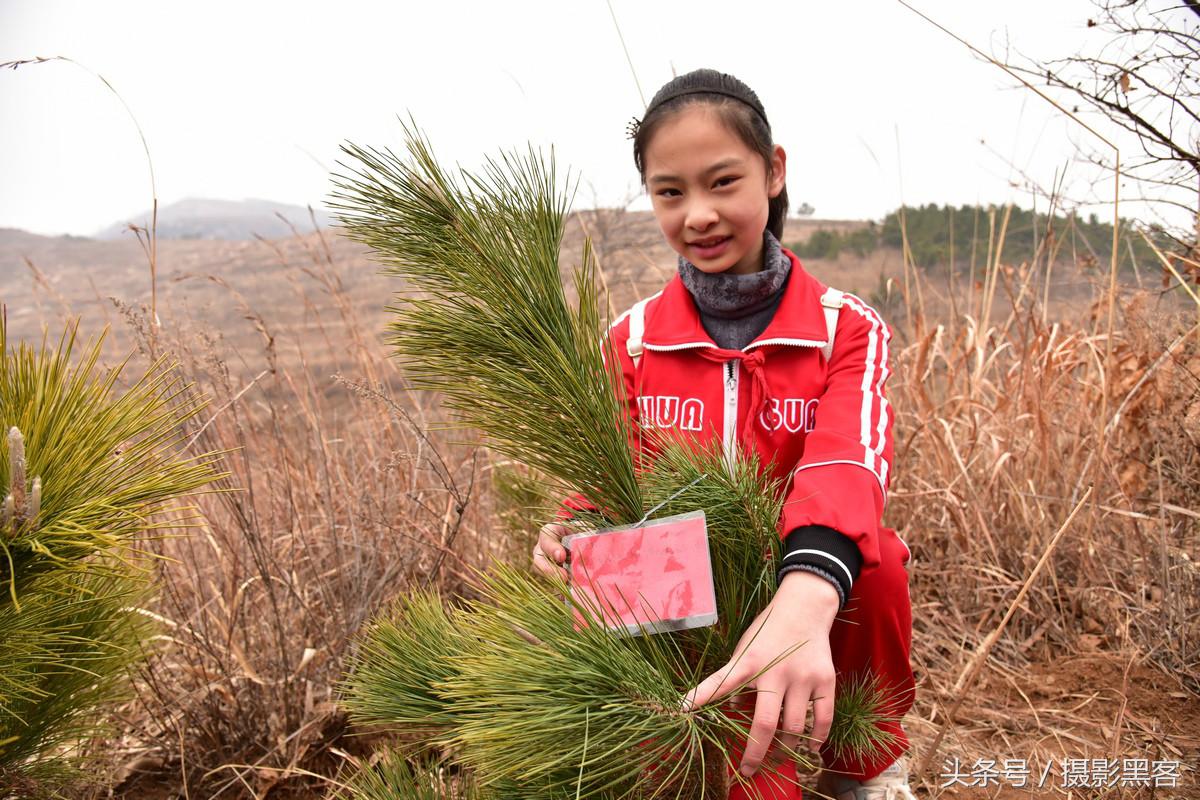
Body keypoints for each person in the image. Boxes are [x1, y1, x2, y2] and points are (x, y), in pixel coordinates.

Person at [532, 68, 916, 800]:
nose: (698, 214)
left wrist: (806, 594)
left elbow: (848, 463)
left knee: (879, 563)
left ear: (773, 173)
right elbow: (608, 476)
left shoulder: (843, 328)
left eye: (722, 182)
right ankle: (695, 751)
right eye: (670, 192)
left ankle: (862, 769)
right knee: (738, 780)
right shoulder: (635, 340)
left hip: (804, 576)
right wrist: (573, 532)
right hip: (684, 587)